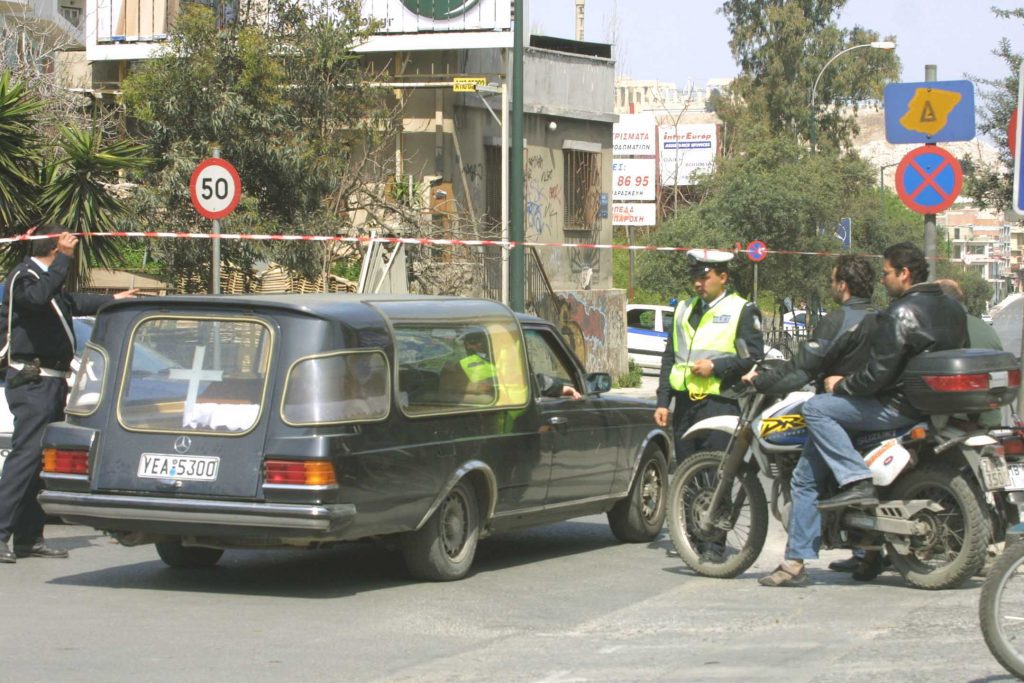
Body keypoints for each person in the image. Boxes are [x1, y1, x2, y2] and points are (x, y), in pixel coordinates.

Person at [759, 242, 966, 587]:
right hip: (931, 406)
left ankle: (800, 556)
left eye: (888, 272)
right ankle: (867, 553)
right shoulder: (952, 308)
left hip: (889, 405)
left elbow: (875, 373)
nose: (885, 280)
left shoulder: (896, 313)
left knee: (812, 433)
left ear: (904, 273)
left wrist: (838, 386)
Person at [0, 225, 137, 563]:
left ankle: (29, 538)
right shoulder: (25, 275)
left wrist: (112, 300)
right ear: (53, 244)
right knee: (25, 457)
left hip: (52, 381)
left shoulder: (48, 277)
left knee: (39, 462)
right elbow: (36, 299)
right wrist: (64, 258)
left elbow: (68, 302)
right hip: (31, 379)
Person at [654, 249, 764, 464]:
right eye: (694, 278)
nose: (697, 284)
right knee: (687, 472)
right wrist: (663, 402)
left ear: (722, 278)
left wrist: (715, 366)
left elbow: (751, 357)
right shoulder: (683, 309)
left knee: (716, 474)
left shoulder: (741, 310)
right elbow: (670, 359)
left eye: (704, 277)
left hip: (719, 403)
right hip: (684, 405)